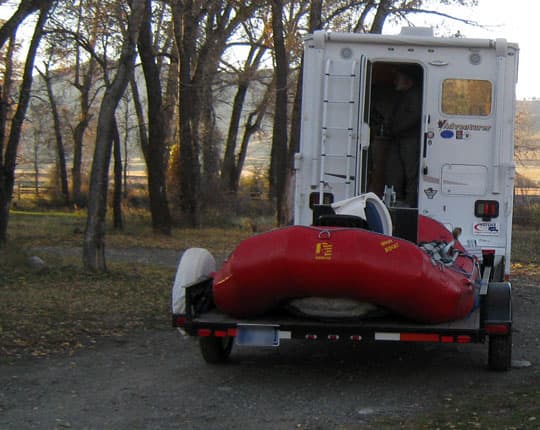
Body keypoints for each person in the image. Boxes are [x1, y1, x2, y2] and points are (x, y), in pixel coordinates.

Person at [385, 65, 422, 207]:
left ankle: (410, 202)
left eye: (398, 78)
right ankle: (396, 198)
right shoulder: (405, 95)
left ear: (408, 81)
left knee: (411, 172)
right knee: (397, 170)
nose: (395, 81)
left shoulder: (414, 95)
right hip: (402, 139)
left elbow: (414, 116)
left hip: (410, 140)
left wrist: (396, 129)